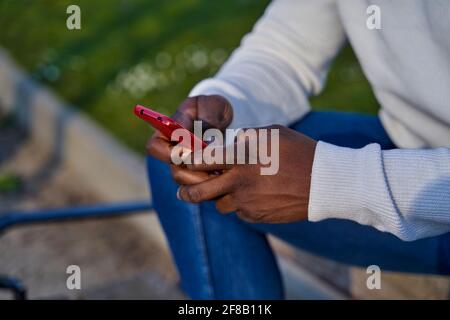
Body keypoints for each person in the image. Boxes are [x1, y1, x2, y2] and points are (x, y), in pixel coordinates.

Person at [146, 0, 450, 299]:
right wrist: (223, 103)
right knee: (185, 161)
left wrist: (331, 181)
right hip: (412, 142)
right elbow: (286, 51)